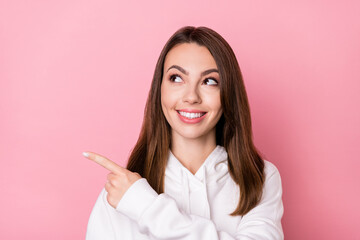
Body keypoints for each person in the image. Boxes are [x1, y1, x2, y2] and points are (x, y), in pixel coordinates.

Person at [83, 26, 284, 239]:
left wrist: (146, 207)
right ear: (159, 89)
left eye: (210, 81)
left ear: (228, 94)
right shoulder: (121, 191)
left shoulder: (259, 178)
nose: (191, 96)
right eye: (177, 78)